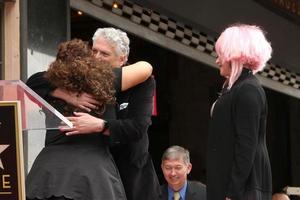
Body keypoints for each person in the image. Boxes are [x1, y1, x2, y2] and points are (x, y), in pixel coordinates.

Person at [26, 39, 151, 200]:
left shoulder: (48, 84)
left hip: (48, 173)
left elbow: (30, 83)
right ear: (89, 62)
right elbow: (146, 68)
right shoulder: (106, 80)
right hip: (93, 173)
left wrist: (63, 93)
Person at [207, 23, 273, 200]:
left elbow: (246, 144)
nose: (217, 60)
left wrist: (232, 192)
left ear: (234, 56)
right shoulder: (238, 88)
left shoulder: (248, 90)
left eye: (220, 55)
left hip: (243, 189)